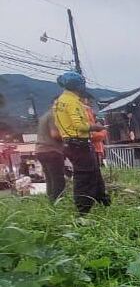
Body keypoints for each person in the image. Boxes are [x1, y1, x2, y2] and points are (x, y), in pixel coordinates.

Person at [52, 71, 109, 214]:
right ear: (77, 86)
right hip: (79, 144)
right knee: (84, 177)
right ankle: (83, 212)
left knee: (94, 173)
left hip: (71, 143)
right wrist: (96, 127)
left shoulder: (59, 102)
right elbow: (79, 125)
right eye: (82, 85)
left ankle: (103, 201)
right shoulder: (72, 102)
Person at [35, 108, 67, 202]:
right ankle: (59, 202)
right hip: (52, 150)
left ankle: (51, 202)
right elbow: (55, 134)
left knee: (49, 178)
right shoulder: (54, 115)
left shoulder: (43, 117)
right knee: (58, 179)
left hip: (40, 150)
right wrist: (68, 137)